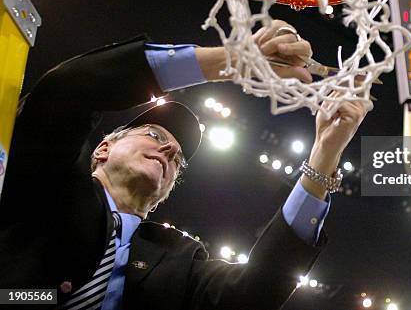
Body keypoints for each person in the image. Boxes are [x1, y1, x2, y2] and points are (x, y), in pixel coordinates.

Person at [0, 20, 368, 309]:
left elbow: (257, 290)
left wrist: (325, 152)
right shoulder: (50, 188)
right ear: (103, 148)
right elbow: (65, 91)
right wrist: (231, 61)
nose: (167, 152)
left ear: (164, 194)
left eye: (177, 159)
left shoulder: (180, 257)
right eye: (155, 136)